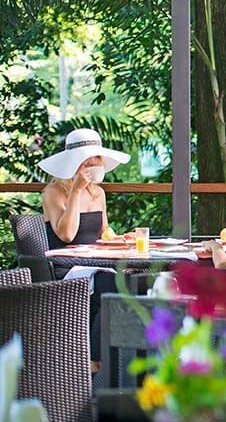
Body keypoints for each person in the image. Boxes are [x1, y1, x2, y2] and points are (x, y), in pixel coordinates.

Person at [38, 128, 131, 372]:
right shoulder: (53, 193)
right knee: (115, 287)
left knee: (132, 282)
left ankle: (96, 358)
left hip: (97, 262)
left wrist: (121, 239)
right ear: (74, 163)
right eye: (87, 160)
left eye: (96, 159)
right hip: (68, 267)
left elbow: (104, 232)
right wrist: (76, 192)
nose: (93, 164)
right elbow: (66, 235)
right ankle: (94, 360)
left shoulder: (98, 192)